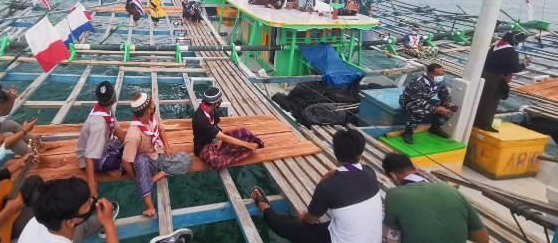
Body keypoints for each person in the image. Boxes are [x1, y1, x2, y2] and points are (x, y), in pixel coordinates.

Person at [251, 129, 382, 243]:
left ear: (335, 153)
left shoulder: (327, 186)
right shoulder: (370, 172)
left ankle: (263, 205)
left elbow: (310, 221)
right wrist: (334, 172)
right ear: (360, 155)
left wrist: (304, 217)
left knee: (285, 226)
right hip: (374, 239)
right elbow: (350, 171)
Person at [382, 153, 489, 243]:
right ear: (414, 168)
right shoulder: (451, 191)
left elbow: (390, 239)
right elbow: (483, 238)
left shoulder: (394, 194)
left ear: (393, 176)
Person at [122, 93, 192, 217]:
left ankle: (151, 180)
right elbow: (126, 162)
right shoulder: (133, 134)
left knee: (186, 160)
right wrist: (134, 178)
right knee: (141, 161)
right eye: (152, 104)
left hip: (158, 154)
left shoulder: (152, 118)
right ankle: (149, 206)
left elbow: (160, 130)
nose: (154, 105)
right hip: (146, 163)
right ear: (148, 109)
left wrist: (167, 146)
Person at [18, 177, 116, 243]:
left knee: (79, 226)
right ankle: (101, 222)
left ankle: (92, 223)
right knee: (82, 226)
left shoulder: (38, 219)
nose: (93, 201)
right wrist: (109, 224)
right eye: (87, 203)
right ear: (70, 222)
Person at [192, 87, 264, 170]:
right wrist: (247, 145)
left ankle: (257, 145)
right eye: (220, 100)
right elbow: (222, 136)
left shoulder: (211, 109)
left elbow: (216, 127)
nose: (221, 101)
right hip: (203, 146)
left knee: (244, 132)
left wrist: (219, 140)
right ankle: (239, 151)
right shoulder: (200, 119)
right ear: (215, 103)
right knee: (216, 162)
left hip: (214, 137)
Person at [75, 81, 126, 197]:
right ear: (114, 99)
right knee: (115, 161)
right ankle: (111, 169)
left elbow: (117, 130)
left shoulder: (105, 110)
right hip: (89, 157)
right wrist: (92, 187)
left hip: (103, 145)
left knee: (129, 146)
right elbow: (89, 156)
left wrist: (129, 145)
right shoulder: (99, 125)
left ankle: (116, 165)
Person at [474, 31, 531, 132]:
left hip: (484, 75)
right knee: (492, 101)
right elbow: (514, 68)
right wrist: (524, 64)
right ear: (515, 40)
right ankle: (485, 124)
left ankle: (475, 120)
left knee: (481, 98)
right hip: (495, 79)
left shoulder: (494, 47)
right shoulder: (511, 52)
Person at [398, 63, 455, 144]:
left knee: (449, 108)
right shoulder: (418, 82)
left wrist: (448, 103)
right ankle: (408, 131)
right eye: (438, 75)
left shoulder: (439, 80)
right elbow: (418, 101)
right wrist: (435, 109)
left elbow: (444, 93)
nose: (440, 76)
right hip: (409, 101)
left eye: (442, 74)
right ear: (429, 73)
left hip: (425, 100)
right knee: (419, 111)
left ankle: (435, 127)